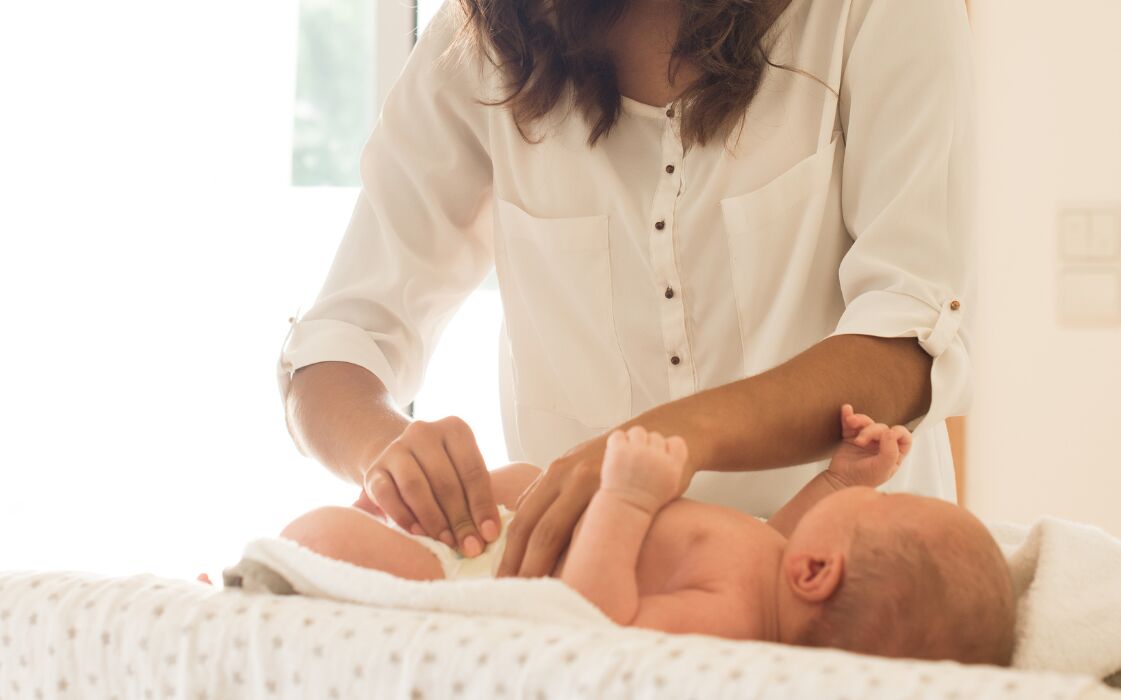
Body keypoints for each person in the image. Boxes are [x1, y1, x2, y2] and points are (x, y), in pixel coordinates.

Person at [278, 0, 974, 578]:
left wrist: (660, 446)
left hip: (856, 591)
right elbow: (335, 350)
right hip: (590, 604)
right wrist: (385, 451)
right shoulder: (478, 44)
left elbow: (904, 347)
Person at [277, 407, 1016, 664]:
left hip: (497, 586)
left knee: (321, 537)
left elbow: (596, 623)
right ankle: (407, 519)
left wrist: (627, 503)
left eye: (877, 511)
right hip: (521, 533)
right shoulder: (774, 569)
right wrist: (841, 480)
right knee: (520, 478)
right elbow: (778, 533)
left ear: (817, 573)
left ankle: (281, 581)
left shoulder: (726, 621)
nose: (873, 501)